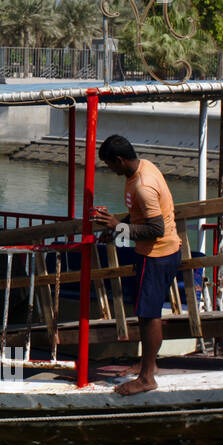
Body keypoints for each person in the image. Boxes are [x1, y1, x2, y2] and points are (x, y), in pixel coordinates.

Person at [92, 134, 182, 396]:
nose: (110, 170)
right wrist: (117, 226)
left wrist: (117, 226)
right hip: (157, 252)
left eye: (110, 165)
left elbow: (155, 228)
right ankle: (145, 364)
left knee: (148, 315)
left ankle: (147, 378)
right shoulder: (142, 169)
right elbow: (139, 215)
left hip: (157, 255)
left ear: (120, 160)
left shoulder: (143, 184)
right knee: (146, 312)